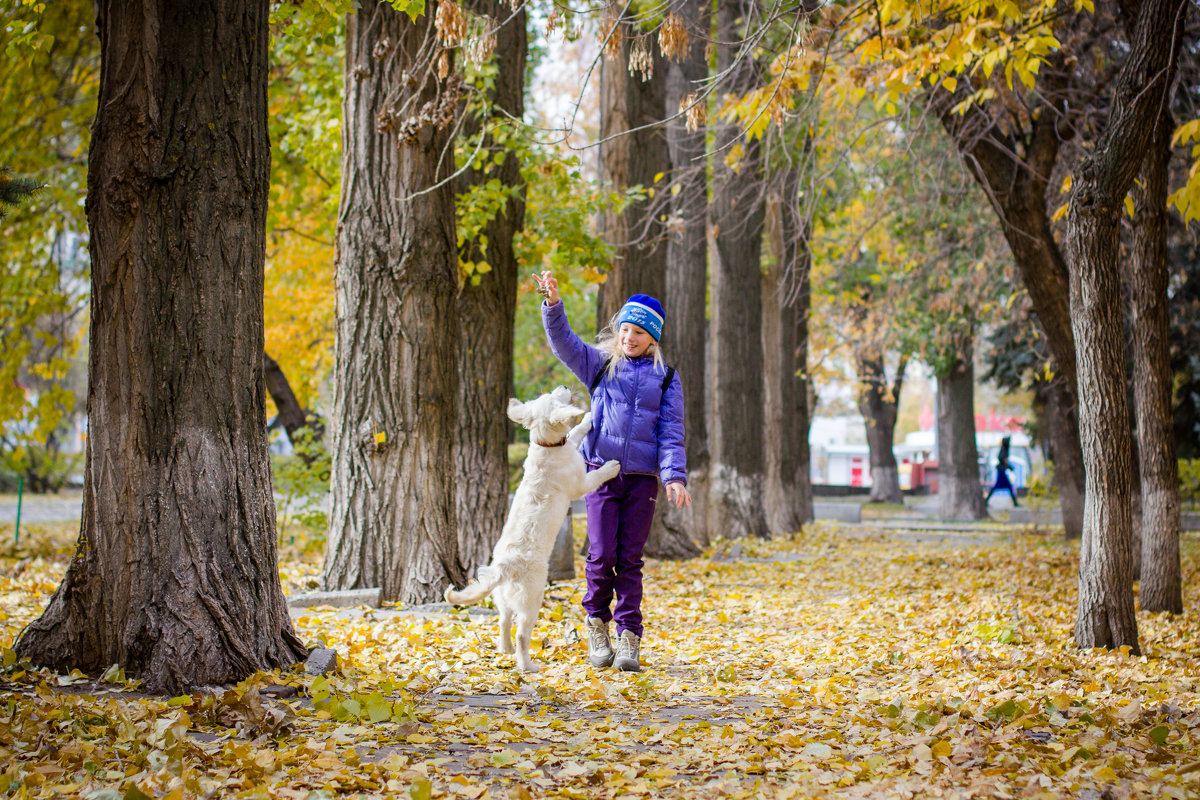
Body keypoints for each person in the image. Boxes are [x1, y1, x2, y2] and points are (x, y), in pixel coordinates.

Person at [533, 270, 690, 673]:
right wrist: (553, 304)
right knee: (601, 555)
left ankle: (629, 638)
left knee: (630, 559)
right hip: (601, 474)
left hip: (641, 481)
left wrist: (674, 476)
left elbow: (671, 432)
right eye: (624, 329)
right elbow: (564, 344)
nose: (629, 337)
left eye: (638, 332)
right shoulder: (601, 366)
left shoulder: (667, 379)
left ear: (652, 337)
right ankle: (597, 625)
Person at [985, 435, 1019, 507]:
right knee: (1005, 486)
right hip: (1001, 472)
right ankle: (1015, 502)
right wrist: (1008, 466)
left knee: (1006, 487)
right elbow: (1003, 460)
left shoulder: (1003, 450)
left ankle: (1015, 502)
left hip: (1002, 471)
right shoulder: (1004, 450)